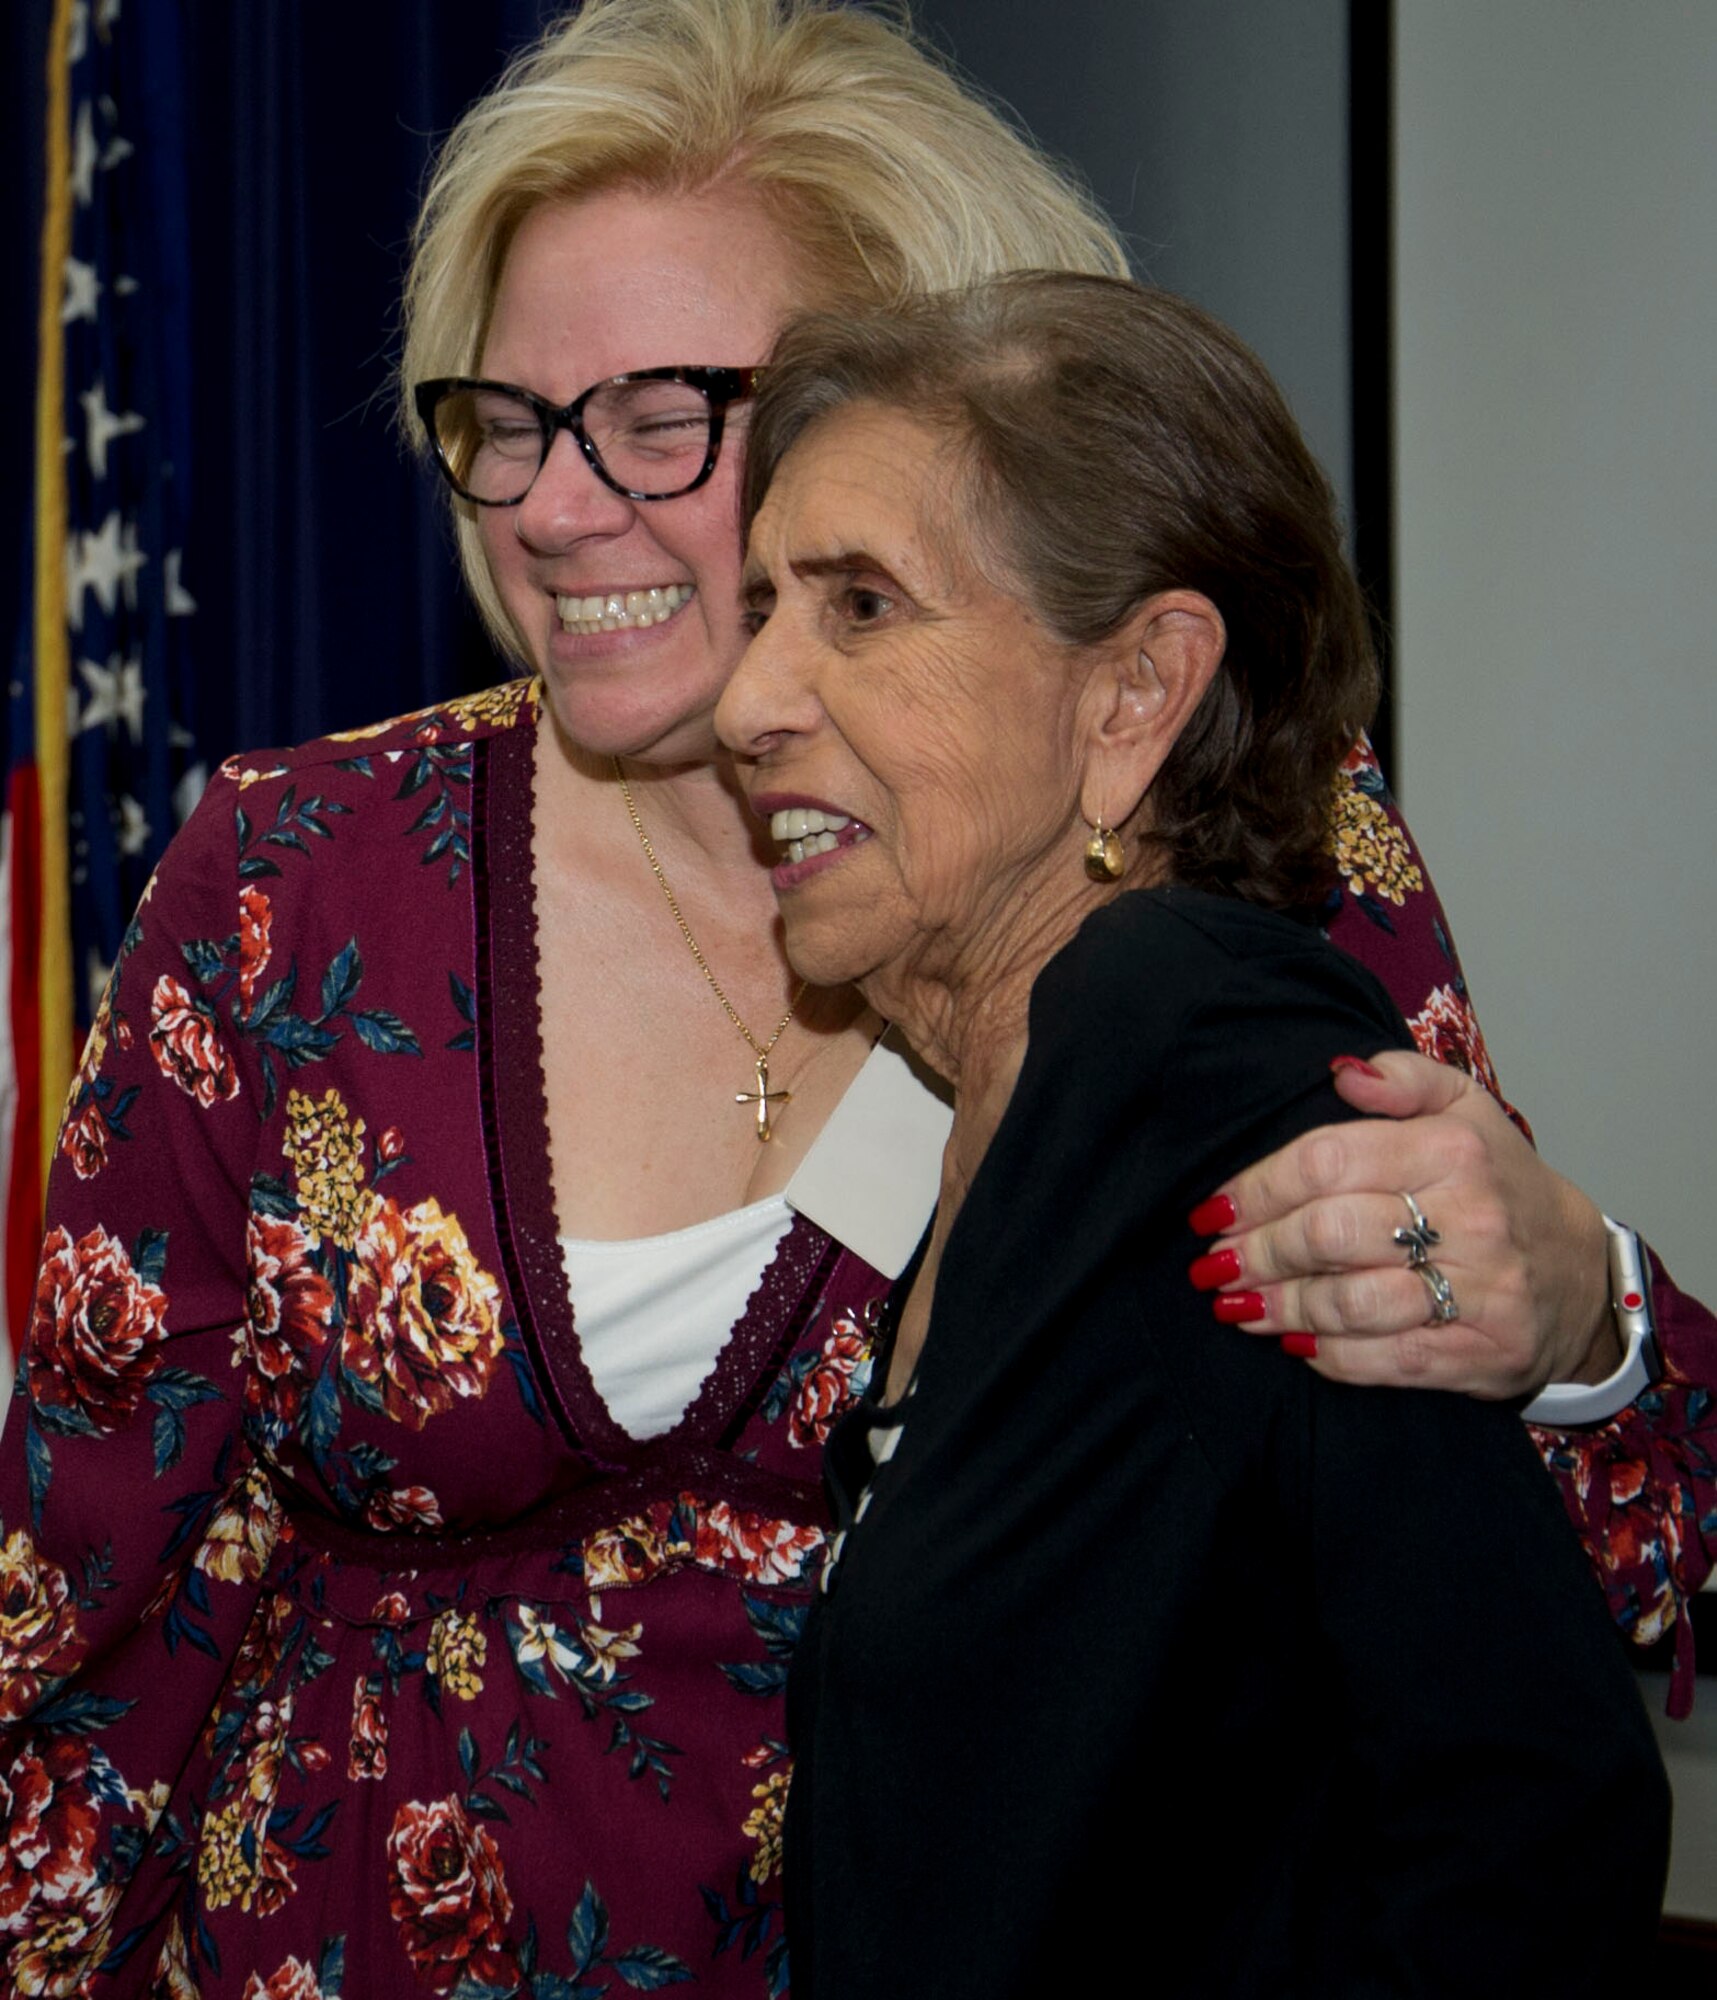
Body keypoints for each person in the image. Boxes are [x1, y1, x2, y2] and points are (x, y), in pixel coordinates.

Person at [0, 0, 1705, 1992]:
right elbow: (81, 1627)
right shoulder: (295, 884)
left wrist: (1579, 1314)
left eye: (663, 418)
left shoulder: (1224, 866)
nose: (557, 509)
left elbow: (1553, 1617)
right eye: (509, 424)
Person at [717, 270, 1671, 1995]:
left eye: (858, 606)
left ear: (1135, 694)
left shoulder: (1190, 1041)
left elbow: (1535, 1804)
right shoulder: (1019, 1118)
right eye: (762, 607)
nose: (747, 700)